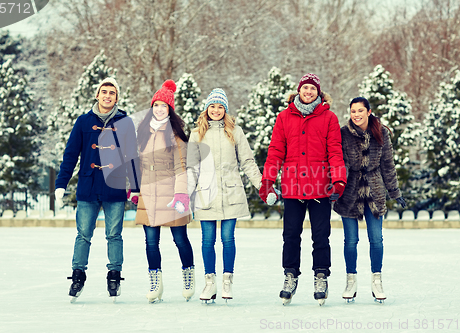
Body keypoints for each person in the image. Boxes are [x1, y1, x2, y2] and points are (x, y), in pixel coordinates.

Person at [259, 73, 347, 306]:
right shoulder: (284, 117)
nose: (308, 92)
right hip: (292, 186)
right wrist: (268, 181)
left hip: (319, 187)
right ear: (299, 91)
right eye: (305, 88)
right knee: (290, 235)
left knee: (320, 236)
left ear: (319, 92)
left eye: (313, 89)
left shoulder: (329, 118)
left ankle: (321, 276)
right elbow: (276, 151)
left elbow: (335, 152)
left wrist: (338, 181)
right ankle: (290, 275)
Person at [55, 77, 140, 302]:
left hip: (114, 187)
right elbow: (71, 154)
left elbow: (132, 157)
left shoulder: (125, 122)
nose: (107, 96)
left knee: (114, 235)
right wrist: (61, 183)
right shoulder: (83, 122)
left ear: (117, 98)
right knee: (83, 234)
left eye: (112, 93)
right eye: (104, 92)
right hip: (88, 186)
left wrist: (136, 186)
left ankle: (114, 276)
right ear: (97, 95)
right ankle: (77, 275)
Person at [187, 88, 262, 303]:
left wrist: (261, 185)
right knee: (207, 240)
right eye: (213, 106)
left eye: (220, 107)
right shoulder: (196, 134)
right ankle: (210, 283)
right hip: (206, 193)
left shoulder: (235, 132)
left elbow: (247, 161)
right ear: (207, 109)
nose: (216, 110)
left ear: (225, 110)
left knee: (228, 238)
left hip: (231, 191)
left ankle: (227, 280)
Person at [333, 96, 406, 303]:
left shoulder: (380, 133)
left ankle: (377, 280)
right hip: (350, 191)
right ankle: (351, 279)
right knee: (351, 241)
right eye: (353, 111)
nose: (356, 114)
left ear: (368, 111)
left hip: (374, 190)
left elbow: (388, 165)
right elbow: (340, 163)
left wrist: (395, 192)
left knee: (376, 240)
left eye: (360, 111)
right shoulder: (343, 133)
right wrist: (336, 187)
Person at [134, 79, 195, 303]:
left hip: (171, 194)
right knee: (151, 242)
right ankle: (155, 284)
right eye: (156, 105)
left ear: (170, 109)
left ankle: (188, 275)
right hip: (149, 193)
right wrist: (134, 189)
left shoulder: (175, 134)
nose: (159, 109)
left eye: (164, 105)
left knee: (180, 239)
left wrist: (180, 195)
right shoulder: (143, 131)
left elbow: (181, 167)